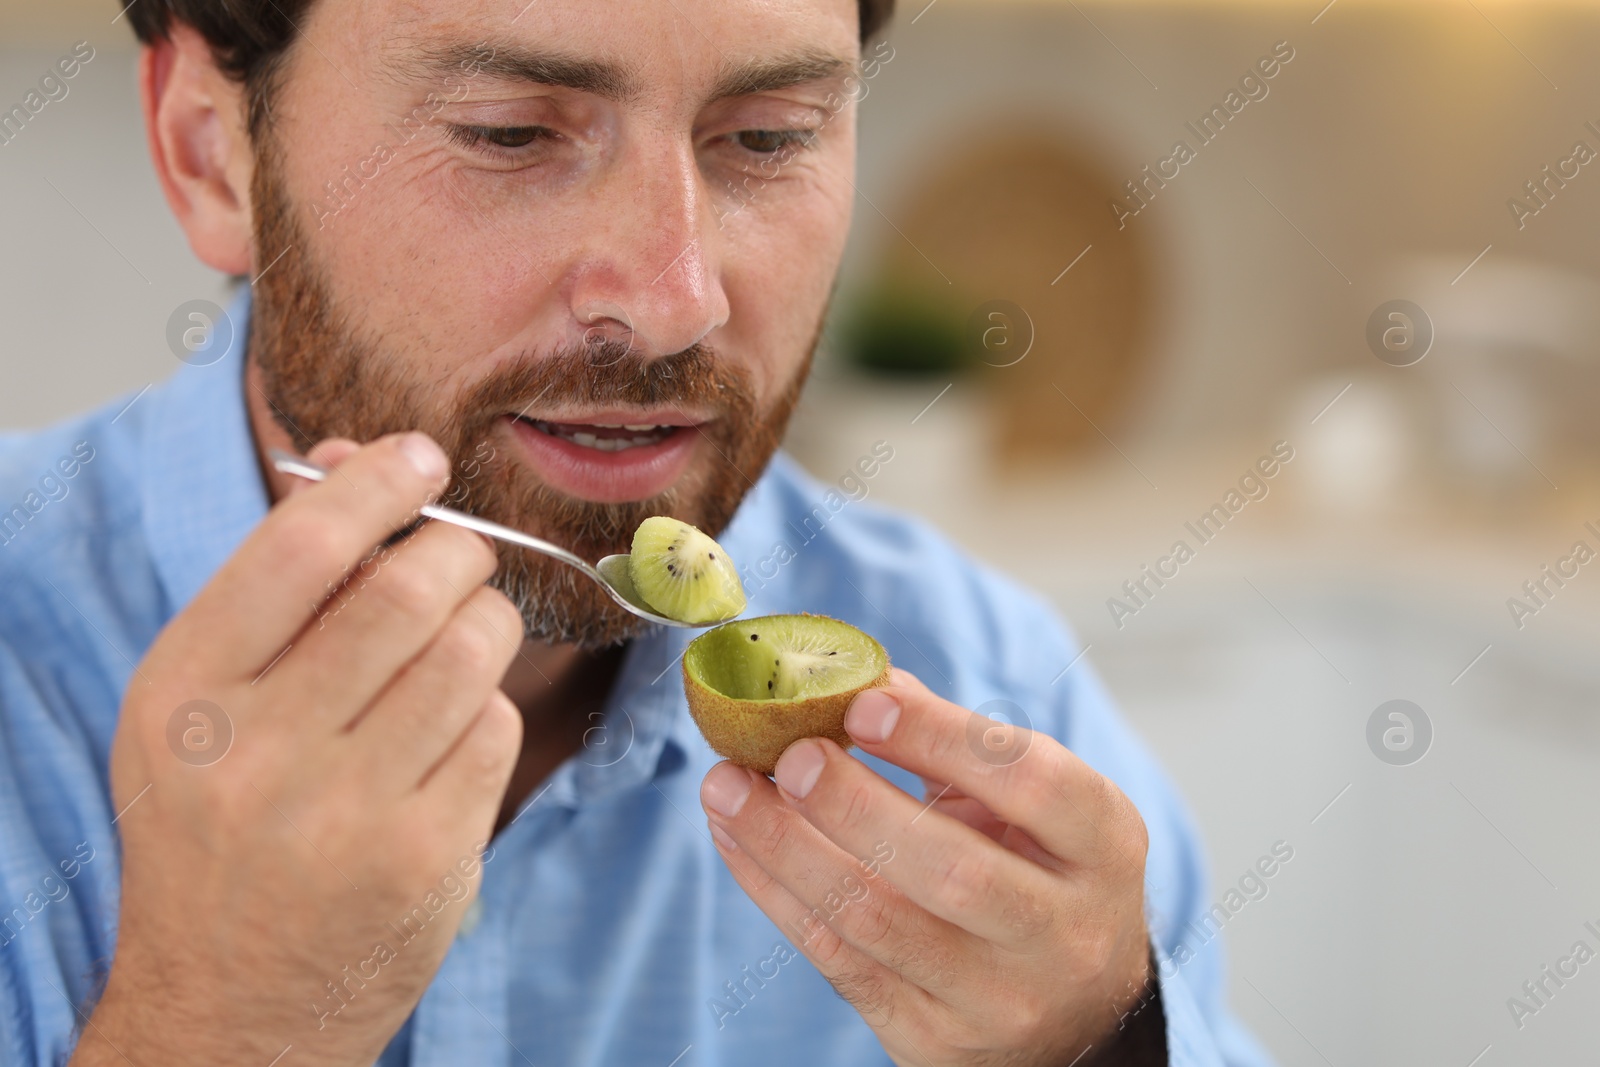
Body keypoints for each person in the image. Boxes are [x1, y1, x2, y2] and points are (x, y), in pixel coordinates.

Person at [0, 0, 1275, 1063]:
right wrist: (215, 1028)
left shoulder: (981, 688)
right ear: (209, 153)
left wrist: (1103, 1044)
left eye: (767, 139)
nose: (675, 298)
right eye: (509, 134)